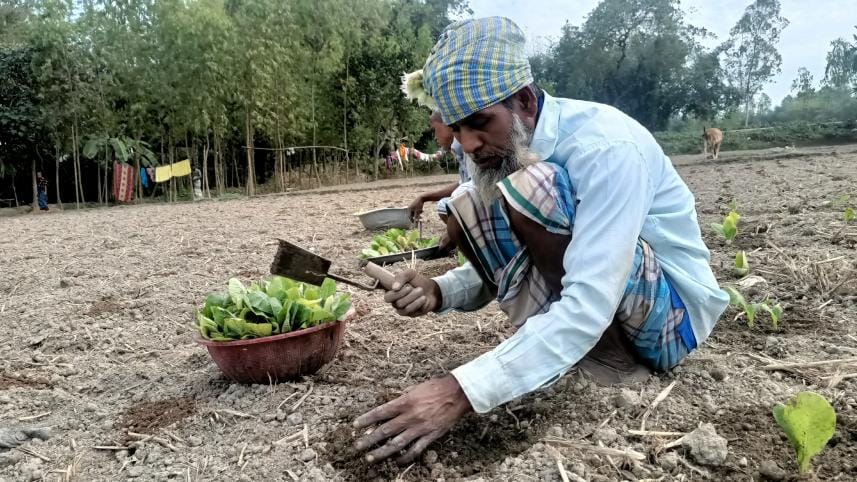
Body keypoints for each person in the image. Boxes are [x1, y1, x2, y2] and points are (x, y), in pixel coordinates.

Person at [352, 17, 728, 465]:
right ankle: (564, 352)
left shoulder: (605, 148)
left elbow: (592, 294)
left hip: (670, 325)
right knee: (468, 198)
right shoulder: (502, 147)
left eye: (480, 123)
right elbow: (521, 260)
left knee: (533, 185)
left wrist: (462, 390)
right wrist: (440, 291)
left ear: (526, 101)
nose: (468, 144)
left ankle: (613, 367)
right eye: (458, 129)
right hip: (604, 303)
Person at [407, 111, 472, 225]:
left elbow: (471, 188)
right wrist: (424, 197)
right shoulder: (458, 148)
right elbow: (464, 184)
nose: (435, 137)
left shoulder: (466, 147)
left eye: (435, 130)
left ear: (448, 125)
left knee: (444, 207)